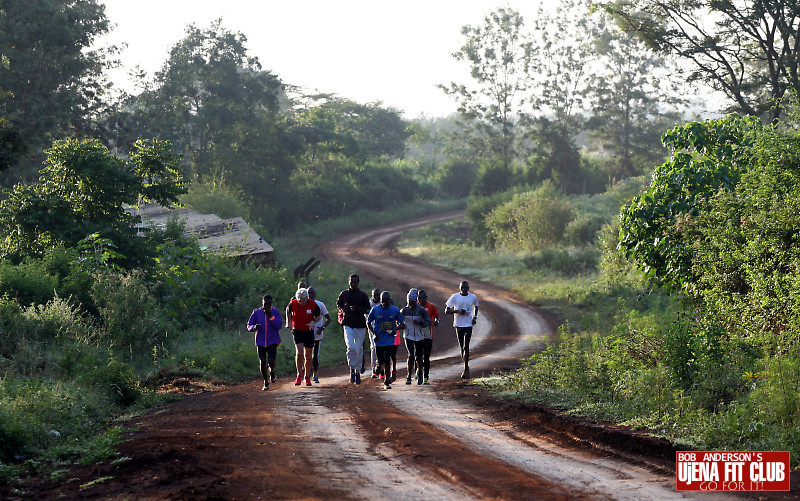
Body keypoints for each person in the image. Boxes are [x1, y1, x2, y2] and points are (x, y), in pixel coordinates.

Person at [336, 274, 371, 385]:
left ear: (358, 282)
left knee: (359, 349)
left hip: (360, 325)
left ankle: (357, 371)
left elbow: (368, 310)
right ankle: (352, 369)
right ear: (349, 282)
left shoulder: (362, 295)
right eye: (351, 282)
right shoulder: (344, 294)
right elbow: (339, 304)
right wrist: (343, 311)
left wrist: (358, 309)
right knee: (351, 347)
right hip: (348, 325)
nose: (353, 284)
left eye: (355, 282)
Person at [367, 291, 405, 390]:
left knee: (387, 360)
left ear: (389, 300)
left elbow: (402, 323)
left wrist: (395, 330)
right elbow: (368, 322)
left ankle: (387, 381)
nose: (385, 303)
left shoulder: (395, 310)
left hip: (389, 339)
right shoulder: (375, 310)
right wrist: (374, 334)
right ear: (380, 300)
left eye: (386, 301)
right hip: (379, 339)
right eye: (383, 301)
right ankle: (378, 367)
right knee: (381, 360)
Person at [285, 288, 321, 387]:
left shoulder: (312, 304)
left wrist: (313, 322)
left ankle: (307, 377)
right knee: (299, 352)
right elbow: (288, 311)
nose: (302, 302)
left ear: (307, 298)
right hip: (297, 331)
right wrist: (288, 322)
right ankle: (299, 375)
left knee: (308, 355)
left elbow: (319, 316)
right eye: (300, 300)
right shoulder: (293, 303)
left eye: (304, 300)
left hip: (309, 331)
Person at [247, 295, 282, 390]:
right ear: (262, 303)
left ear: (271, 304)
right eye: (265, 304)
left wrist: (270, 316)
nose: (266, 306)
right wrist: (254, 327)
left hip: (272, 340)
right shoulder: (256, 312)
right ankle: (266, 382)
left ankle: (272, 371)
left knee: (271, 361)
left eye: (269, 304)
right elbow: (249, 325)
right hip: (260, 341)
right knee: (262, 362)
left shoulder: (275, 312)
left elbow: (279, 325)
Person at [445, 280, 479, 379]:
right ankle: (465, 367)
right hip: (458, 324)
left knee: (466, 346)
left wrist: (475, 317)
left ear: (468, 288)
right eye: (462, 288)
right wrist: (457, 311)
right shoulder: (454, 297)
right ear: (460, 288)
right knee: (462, 347)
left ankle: (466, 368)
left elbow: (476, 306)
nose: (464, 289)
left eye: (466, 288)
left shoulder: (473, 297)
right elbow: (446, 310)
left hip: (468, 324)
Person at [400, 288, 431, 385]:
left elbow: (428, 321)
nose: (411, 304)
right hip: (408, 335)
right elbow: (398, 321)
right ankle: (409, 376)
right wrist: (400, 326)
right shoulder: (404, 310)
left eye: (413, 302)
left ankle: (420, 372)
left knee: (419, 356)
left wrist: (421, 323)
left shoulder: (421, 310)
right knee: (411, 355)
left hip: (419, 335)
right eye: (409, 302)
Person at [308, 286, 331, 384]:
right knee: (307, 354)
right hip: (306, 333)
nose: (310, 295)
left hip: (317, 333)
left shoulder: (320, 304)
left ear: (315, 294)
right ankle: (306, 375)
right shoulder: (304, 304)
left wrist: (322, 328)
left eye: (312, 293)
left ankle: (315, 374)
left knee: (315, 355)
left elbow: (329, 319)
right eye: (309, 293)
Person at [417, 289, 440, 385]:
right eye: (419, 298)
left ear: (426, 298)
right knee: (418, 356)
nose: (420, 300)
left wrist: (436, 322)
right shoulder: (415, 306)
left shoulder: (431, 306)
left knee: (426, 357)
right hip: (417, 334)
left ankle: (426, 377)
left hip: (428, 335)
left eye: (422, 298)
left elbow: (437, 317)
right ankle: (419, 371)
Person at [368, 288, 381, 379]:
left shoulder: (383, 303)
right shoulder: (369, 304)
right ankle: (374, 370)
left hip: (382, 329)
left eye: (377, 295)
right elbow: (367, 318)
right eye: (374, 295)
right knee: (373, 347)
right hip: (372, 328)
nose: (376, 297)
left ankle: (381, 368)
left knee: (382, 348)